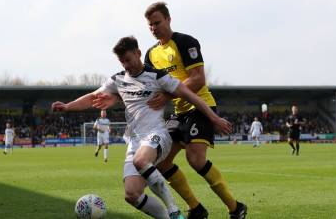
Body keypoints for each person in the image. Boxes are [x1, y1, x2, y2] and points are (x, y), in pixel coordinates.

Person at [52, 36, 232, 219]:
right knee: (132, 194)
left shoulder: (158, 76)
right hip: (135, 140)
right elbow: (92, 97)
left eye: (128, 60)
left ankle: (174, 210)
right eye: (122, 62)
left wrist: (214, 118)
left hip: (157, 135)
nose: (126, 65)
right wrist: (68, 106)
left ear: (138, 53)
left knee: (141, 161)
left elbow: (190, 96)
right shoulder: (118, 79)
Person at [143, 2, 247, 219]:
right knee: (161, 161)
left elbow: (198, 79)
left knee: (195, 159)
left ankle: (235, 208)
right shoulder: (151, 54)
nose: (153, 28)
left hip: (201, 106)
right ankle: (196, 208)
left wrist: (168, 96)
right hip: (178, 112)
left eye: (157, 22)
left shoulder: (185, 42)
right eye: (150, 25)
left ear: (169, 20)